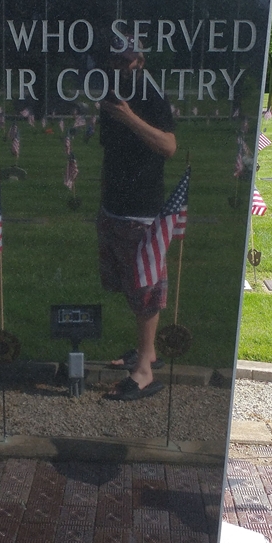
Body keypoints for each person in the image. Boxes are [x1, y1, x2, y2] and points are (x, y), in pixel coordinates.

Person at [97, 38, 177, 399]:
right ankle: (146, 352)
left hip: (142, 212)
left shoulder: (151, 97)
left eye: (127, 58)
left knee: (146, 289)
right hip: (113, 207)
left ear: (140, 60)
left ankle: (144, 371)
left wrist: (129, 118)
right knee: (128, 285)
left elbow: (168, 147)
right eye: (115, 58)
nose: (121, 64)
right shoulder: (110, 95)